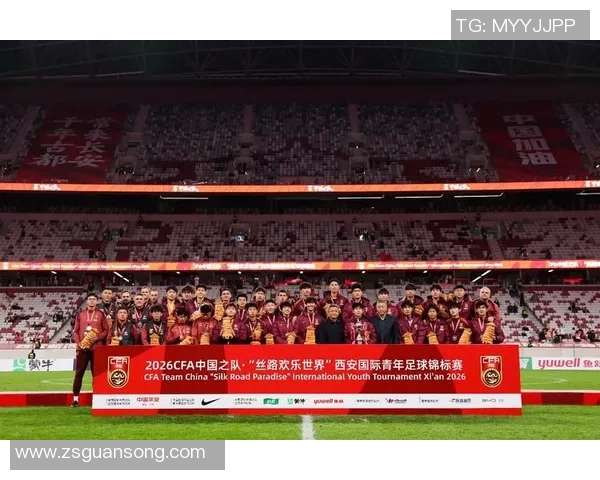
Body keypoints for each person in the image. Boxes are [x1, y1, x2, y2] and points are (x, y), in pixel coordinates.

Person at [71, 293, 109, 407]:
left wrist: (97, 338)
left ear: (97, 301)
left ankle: (97, 399)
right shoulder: (80, 314)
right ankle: (75, 399)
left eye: (94, 299)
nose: (92, 301)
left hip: (96, 348)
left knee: (96, 374)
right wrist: (79, 343)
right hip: (83, 348)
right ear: (87, 301)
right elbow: (75, 331)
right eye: (90, 299)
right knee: (79, 373)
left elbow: (106, 330)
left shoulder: (101, 314)